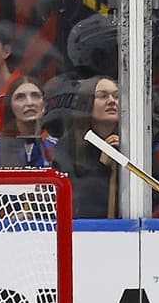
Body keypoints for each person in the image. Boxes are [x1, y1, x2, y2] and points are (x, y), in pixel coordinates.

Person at [53, 76, 124, 217]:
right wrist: (102, 166)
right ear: (86, 103)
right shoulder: (68, 146)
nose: (111, 101)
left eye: (116, 96)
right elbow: (77, 202)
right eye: (103, 96)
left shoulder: (137, 144)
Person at [0, 75, 57, 167]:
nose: (29, 103)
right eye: (20, 97)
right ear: (10, 106)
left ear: (44, 103)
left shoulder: (58, 146)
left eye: (35, 96)